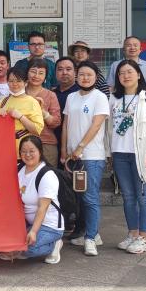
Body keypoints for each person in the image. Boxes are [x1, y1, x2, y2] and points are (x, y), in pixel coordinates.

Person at [108, 60, 146, 255]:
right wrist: (109, 152)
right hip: (119, 153)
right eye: (121, 73)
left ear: (139, 75)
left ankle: (144, 238)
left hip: (140, 154)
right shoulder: (114, 98)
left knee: (143, 196)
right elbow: (109, 128)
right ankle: (132, 234)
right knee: (128, 196)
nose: (125, 76)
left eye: (130, 72)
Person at [60, 61, 110, 257]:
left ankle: (90, 239)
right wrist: (64, 150)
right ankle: (93, 233)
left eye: (89, 74)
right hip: (73, 157)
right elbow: (66, 124)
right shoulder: (71, 97)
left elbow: (96, 125)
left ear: (96, 77)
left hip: (91, 156)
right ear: (76, 76)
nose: (85, 77)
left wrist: (80, 147)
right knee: (80, 198)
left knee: (90, 198)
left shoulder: (100, 97)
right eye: (81, 74)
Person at [0, 136, 64, 264]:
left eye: (32, 151)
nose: (27, 155)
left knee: (28, 249)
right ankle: (21, 245)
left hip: (50, 225)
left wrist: (33, 231)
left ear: (40, 151)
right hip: (27, 223)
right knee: (7, 243)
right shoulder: (19, 170)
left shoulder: (47, 175)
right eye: (23, 151)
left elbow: (43, 207)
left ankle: (54, 244)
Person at [0, 67, 44, 151]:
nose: (14, 84)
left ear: (26, 83)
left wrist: (21, 117)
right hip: (3, 147)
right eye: (11, 81)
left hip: (23, 150)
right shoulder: (3, 101)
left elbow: (37, 130)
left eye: (18, 81)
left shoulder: (32, 102)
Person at [25, 58, 62, 166]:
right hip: (22, 143)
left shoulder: (50, 95)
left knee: (48, 175)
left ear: (45, 77)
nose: (36, 76)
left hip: (46, 144)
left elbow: (56, 122)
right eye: (33, 71)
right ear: (27, 73)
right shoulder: (19, 93)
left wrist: (43, 112)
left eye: (41, 73)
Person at [52, 56, 79, 147]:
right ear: (55, 73)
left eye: (68, 69)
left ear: (75, 72)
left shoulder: (81, 93)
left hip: (75, 143)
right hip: (54, 142)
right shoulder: (51, 94)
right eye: (60, 69)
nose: (64, 72)